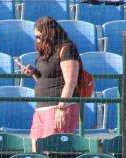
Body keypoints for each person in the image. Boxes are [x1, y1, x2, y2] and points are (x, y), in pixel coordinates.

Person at [14, 16, 81, 151]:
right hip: (41, 109)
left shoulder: (67, 49)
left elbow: (71, 81)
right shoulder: (45, 52)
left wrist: (61, 108)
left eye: (39, 36)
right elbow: (44, 81)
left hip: (58, 108)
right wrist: (32, 73)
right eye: (36, 37)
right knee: (37, 149)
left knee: (53, 150)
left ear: (49, 33)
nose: (37, 40)